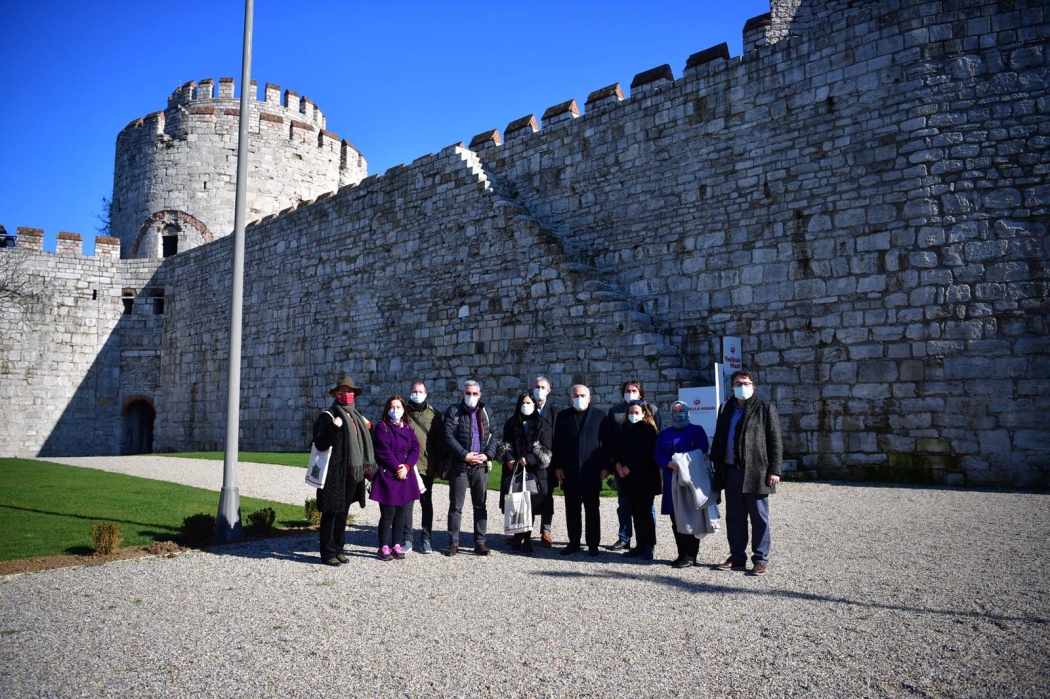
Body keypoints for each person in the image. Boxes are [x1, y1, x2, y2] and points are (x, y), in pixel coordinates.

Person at [710, 370, 783, 576]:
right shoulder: (725, 408)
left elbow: (775, 441)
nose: (741, 386)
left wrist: (775, 470)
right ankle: (737, 556)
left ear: (753, 386)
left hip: (756, 470)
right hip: (731, 470)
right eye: (737, 383)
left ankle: (760, 559)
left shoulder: (765, 408)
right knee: (734, 516)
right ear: (732, 387)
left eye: (745, 382)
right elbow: (720, 437)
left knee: (759, 517)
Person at [312, 376, 374, 566]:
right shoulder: (328, 415)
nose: (346, 394)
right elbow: (320, 442)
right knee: (330, 513)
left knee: (342, 513)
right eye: (342, 391)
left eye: (349, 391)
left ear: (354, 394)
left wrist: (367, 426)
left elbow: (363, 445)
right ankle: (327, 552)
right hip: (334, 475)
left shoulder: (356, 417)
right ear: (336, 394)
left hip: (351, 475)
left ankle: (339, 549)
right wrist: (334, 427)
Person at [602, 379, 661, 551]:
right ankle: (629, 539)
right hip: (624, 473)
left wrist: (630, 466)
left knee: (646, 509)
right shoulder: (617, 416)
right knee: (628, 506)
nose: (630, 393)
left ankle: (647, 543)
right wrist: (616, 465)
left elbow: (652, 446)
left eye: (634, 390)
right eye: (627, 390)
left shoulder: (651, 418)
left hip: (643, 473)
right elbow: (612, 443)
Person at [443, 379, 498, 556]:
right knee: (456, 506)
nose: (471, 396)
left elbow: (494, 435)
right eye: (468, 393)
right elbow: (448, 436)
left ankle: (480, 542)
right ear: (462, 394)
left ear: (480, 394)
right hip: (460, 465)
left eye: (475, 393)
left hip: (480, 467)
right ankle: (453, 543)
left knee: (480, 505)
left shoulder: (487, 412)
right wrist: (464, 455)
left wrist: (487, 455)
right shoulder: (453, 411)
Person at [551, 384, 608, 556]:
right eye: (576, 395)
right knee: (572, 508)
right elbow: (557, 443)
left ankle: (593, 544)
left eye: (583, 395)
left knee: (592, 508)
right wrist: (557, 466)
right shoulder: (563, 416)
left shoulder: (600, 415)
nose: (579, 398)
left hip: (592, 469)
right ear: (570, 398)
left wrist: (606, 466)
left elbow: (606, 444)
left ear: (589, 398)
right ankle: (574, 542)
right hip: (569, 469)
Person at [654, 400, 711, 568]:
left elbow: (702, 450)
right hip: (671, 478)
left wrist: (682, 462)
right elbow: (657, 452)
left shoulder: (696, 430)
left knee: (690, 516)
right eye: (675, 410)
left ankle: (691, 555)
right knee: (675, 518)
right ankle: (681, 553)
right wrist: (667, 463)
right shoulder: (665, 433)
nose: (678, 413)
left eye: (681, 410)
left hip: (689, 479)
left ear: (687, 412)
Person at [497, 391, 553, 555]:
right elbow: (505, 443)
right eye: (523, 403)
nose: (526, 406)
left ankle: (527, 540)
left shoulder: (542, 424)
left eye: (529, 403)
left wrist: (529, 459)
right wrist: (508, 457)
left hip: (533, 472)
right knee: (515, 502)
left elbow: (546, 446)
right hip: (513, 470)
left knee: (530, 505)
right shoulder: (511, 423)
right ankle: (516, 537)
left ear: (535, 405)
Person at [370, 396, 422, 561]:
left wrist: (406, 466)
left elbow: (415, 448)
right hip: (389, 474)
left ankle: (396, 543)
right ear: (387, 410)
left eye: (398, 407)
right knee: (388, 513)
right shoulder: (382, 427)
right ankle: (383, 546)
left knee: (401, 513)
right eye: (392, 407)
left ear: (403, 409)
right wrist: (398, 467)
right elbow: (382, 450)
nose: (395, 410)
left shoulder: (407, 428)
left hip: (405, 475)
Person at [401, 380, 444, 554]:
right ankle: (407, 539)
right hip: (409, 467)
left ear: (426, 394)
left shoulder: (435, 415)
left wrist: (438, 466)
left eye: (420, 391)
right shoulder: (403, 413)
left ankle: (426, 539)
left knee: (426, 504)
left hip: (426, 467)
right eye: (414, 391)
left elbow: (440, 443)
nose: (417, 394)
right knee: (407, 505)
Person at [532, 375, 560, 547]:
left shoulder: (555, 412)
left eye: (542, 387)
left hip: (548, 462)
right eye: (536, 386)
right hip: (529, 462)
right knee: (527, 495)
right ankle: (524, 530)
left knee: (546, 496)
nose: (539, 390)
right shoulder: (526, 407)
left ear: (548, 390)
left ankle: (546, 531)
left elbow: (558, 438)